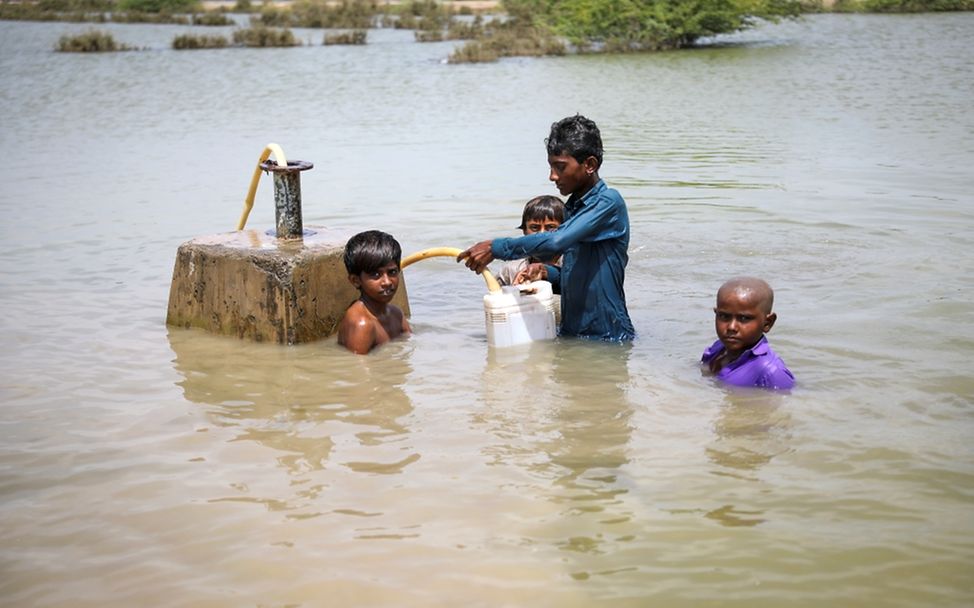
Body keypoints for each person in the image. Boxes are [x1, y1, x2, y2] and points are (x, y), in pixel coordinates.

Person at [458, 114, 635, 342]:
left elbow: (555, 242)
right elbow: (576, 281)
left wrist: (495, 247)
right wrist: (545, 273)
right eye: (551, 166)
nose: (552, 176)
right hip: (571, 336)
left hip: (609, 339)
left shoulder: (609, 203)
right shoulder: (573, 207)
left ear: (589, 165)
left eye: (560, 167)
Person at [701, 277, 795, 390]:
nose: (731, 327)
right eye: (724, 316)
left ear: (767, 323)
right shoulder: (718, 348)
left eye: (744, 318)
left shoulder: (770, 372)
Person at [338, 230, 411, 355]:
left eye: (392, 272)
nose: (387, 282)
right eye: (376, 275)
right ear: (355, 281)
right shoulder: (362, 325)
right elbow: (356, 371)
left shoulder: (396, 314)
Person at [495, 194, 564, 286]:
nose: (542, 235)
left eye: (550, 227)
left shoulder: (571, 264)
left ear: (564, 230)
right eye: (534, 227)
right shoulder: (510, 271)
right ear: (524, 231)